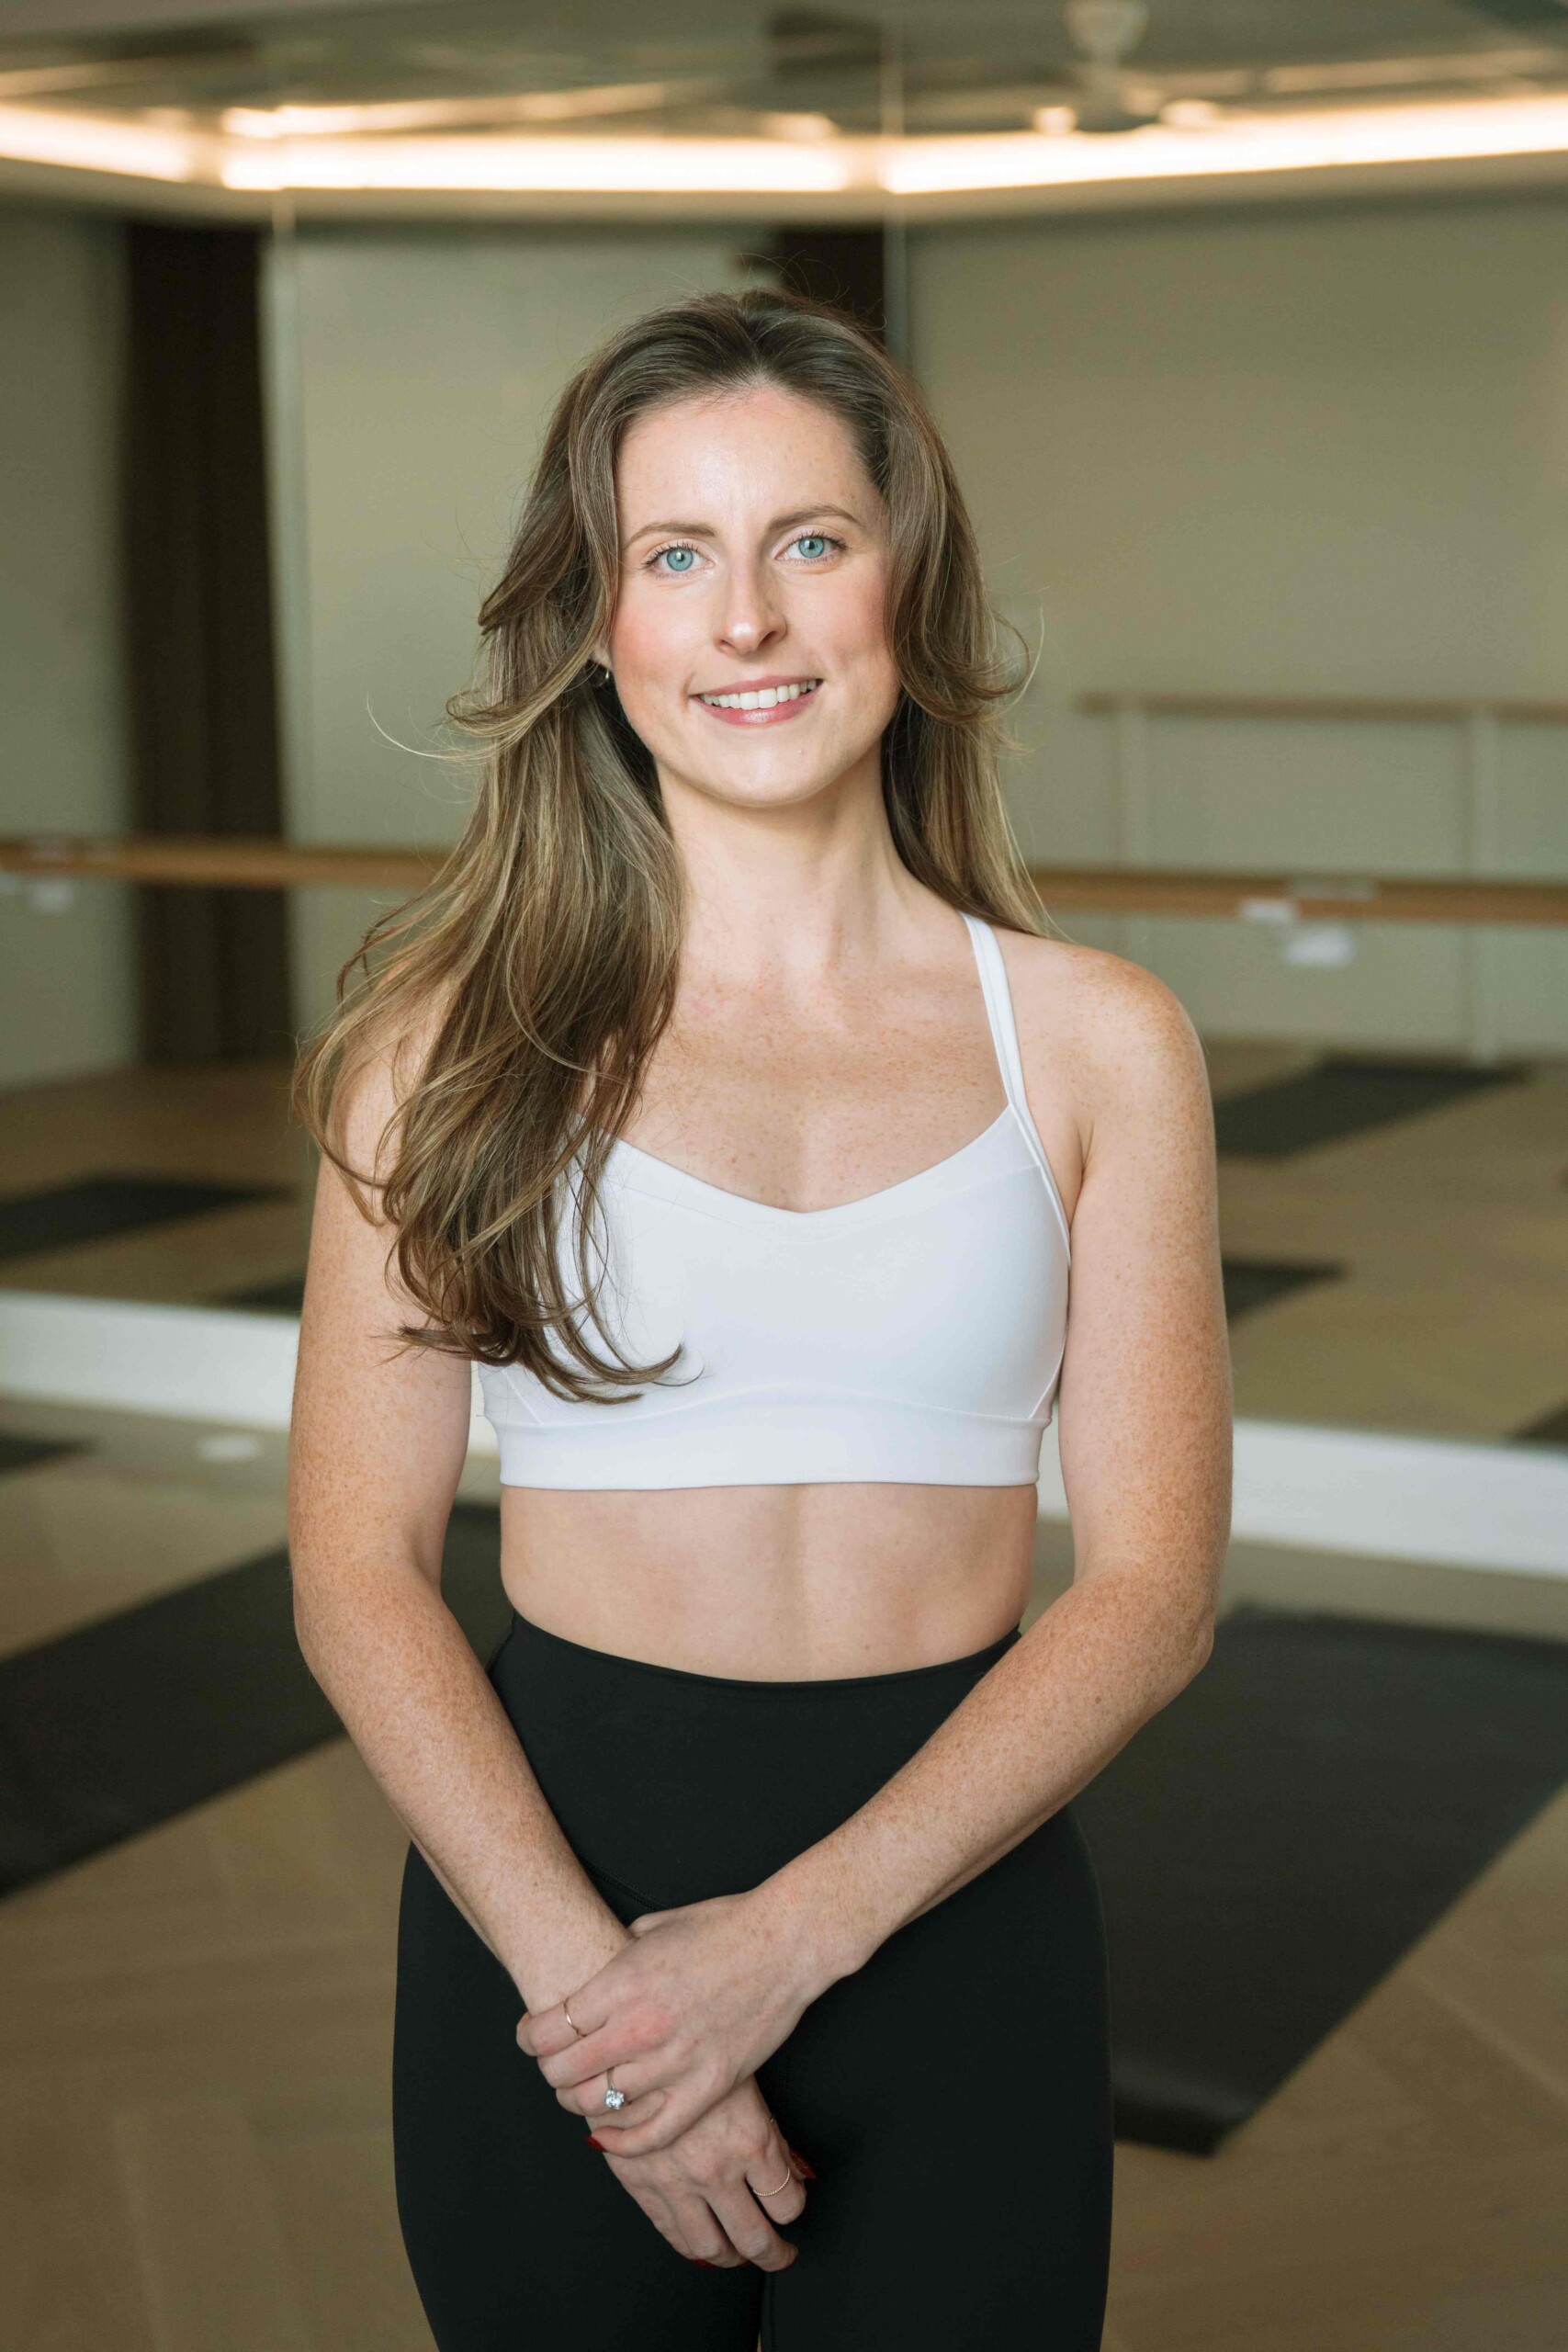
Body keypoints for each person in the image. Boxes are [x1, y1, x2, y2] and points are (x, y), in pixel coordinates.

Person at [288, 285, 1232, 2352]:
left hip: (950, 1908)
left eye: (809, 540)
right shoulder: (445, 1054)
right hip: (545, 1912)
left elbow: (1150, 1589)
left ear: (904, 585)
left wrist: (782, 1946)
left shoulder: (1092, 1041)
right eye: (673, 556)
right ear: (598, 626)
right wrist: (602, 2003)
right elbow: (356, 1572)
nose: (747, 621)